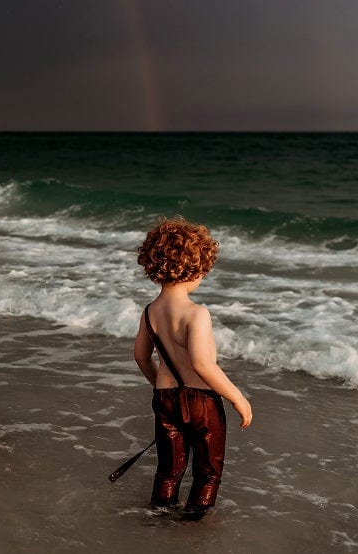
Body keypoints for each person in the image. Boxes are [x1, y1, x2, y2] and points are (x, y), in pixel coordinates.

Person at [133, 217, 252, 516]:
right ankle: (192, 523)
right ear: (194, 269)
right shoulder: (196, 313)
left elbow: (140, 356)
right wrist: (237, 397)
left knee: (169, 468)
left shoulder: (150, 312)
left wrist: (158, 386)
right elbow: (202, 364)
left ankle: (159, 514)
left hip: (165, 398)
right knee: (208, 470)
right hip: (201, 403)